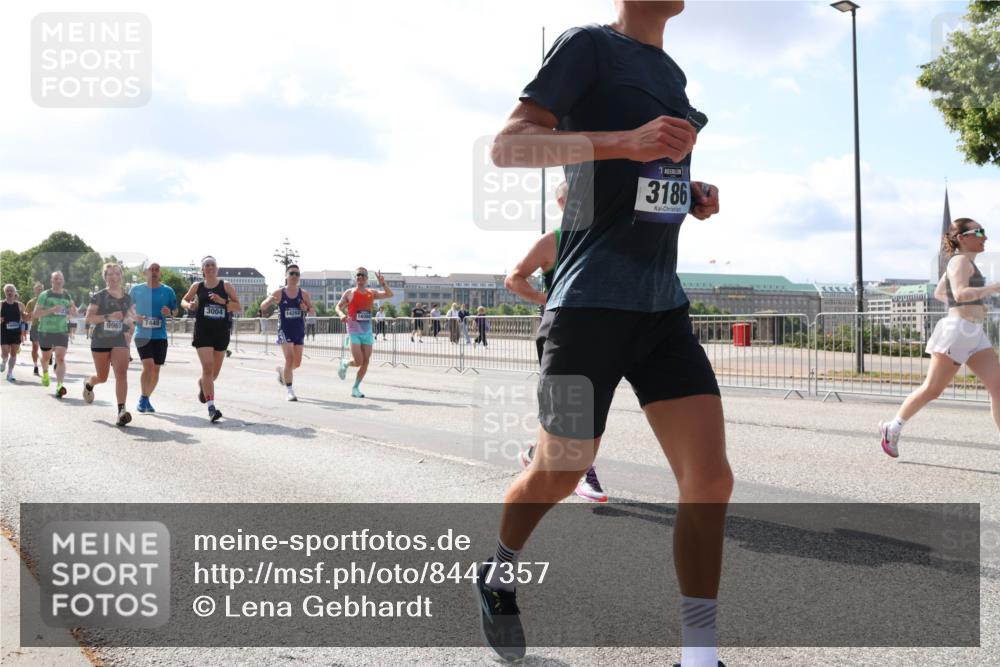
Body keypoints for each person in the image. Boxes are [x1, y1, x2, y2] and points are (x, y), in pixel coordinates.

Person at [475, 4, 729, 667]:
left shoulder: (669, 73)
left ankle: (699, 655)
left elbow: (635, 180)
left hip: (661, 308)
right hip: (585, 306)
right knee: (558, 468)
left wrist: (686, 189)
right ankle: (498, 572)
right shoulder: (589, 46)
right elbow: (506, 146)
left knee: (710, 477)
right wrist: (627, 141)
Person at [505, 182, 608, 503]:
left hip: (600, 330)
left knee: (584, 404)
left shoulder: (604, 238)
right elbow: (514, 277)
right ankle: (583, 474)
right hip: (560, 332)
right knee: (574, 404)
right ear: (563, 202)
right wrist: (542, 296)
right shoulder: (553, 240)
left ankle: (540, 450)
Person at [880, 218, 1000, 455]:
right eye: (980, 232)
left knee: (998, 388)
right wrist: (991, 289)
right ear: (963, 238)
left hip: (973, 332)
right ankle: (892, 428)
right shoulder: (959, 261)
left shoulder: (964, 263)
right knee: (932, 389)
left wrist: (972, 306)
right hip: (956, 331)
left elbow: (939, 292)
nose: (985, 237)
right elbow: (960, 292)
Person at [181, 256, 241, 422]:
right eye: (207, 265)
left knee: (213, 375)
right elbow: (184, 300)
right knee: (207, 368)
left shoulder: (225, 285)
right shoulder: (197, 286)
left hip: (221, 333)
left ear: (217, 268)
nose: (210, 267)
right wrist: (189, 305)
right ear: (203, 270)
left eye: (212, 265)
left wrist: (223, 301)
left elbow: (238, 306)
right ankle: (211, 408)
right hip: (203, 332)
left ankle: (203, 384)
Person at [82, 263, 135, 426]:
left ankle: (121, 411)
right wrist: (108, 316)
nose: (113, 277)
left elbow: (131, 318)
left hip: (119, 339)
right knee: (102, 377)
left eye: (116, 274)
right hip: (101, 340)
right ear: (105, 277)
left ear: (121, 276)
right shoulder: (99, 296)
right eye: (109, 274)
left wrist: (129, 323)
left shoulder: (127, 298)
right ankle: (90, 383)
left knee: (121, 373)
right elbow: (89, 319)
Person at [129, 263, 179, 413]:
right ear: (145, 273)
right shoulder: (136, 289)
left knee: (156, 370)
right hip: (142, 334)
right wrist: (135, 316)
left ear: (160, 273)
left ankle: (146, 398)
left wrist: (169, 311)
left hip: (160, 335)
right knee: (148, 366)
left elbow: (175, 311)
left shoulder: (168, 291)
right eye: (151, 269)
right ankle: (143, 399)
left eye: (157, 270)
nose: (154, 272)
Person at [260, 264, 314, 402]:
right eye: (292, 273)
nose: (294, 276)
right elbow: (263, 306)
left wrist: (306, 308)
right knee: (289, 359)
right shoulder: (280, 292)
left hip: (299, 330)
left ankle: (283, 373)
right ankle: (290, 391)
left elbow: (312, 310)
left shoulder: (304, 293)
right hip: (285, 330)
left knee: (297, 363)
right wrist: (270, 300)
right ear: (286, 275)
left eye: (297, 274)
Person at [336, 268, 393, 397]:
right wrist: (341, 314)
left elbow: (389, 295)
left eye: (363, 275)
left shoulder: (371, 293)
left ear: (367, 278)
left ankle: (355, 388)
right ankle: (345, 362)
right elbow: (338, 306)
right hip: (353, 330)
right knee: (358, 361)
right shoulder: (349, 292)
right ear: (355, 278)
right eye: (358, 275)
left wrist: (383, 283)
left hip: (367, 331)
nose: (360, 277)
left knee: (366, 361)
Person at [34, 271, 78, 397]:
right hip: (46, 330)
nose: (58, 281)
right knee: (46, 358)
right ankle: (46, 372)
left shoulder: (66, 294)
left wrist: (71, 311)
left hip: (61, 330)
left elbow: (73, 311)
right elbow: (36, 314)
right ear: (51, 281)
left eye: (60, 279)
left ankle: (59, 385)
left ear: (63, 281)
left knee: (61, 358)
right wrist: (52, 310)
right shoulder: (45, 294)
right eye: (56, 279)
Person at [0, 284, 26, 382]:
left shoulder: (20, 305)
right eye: (8, 291)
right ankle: (4, 361)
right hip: (4, 332)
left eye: (11, 291)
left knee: (14, 353)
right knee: (5, 353)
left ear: (15, 292)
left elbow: (24, 319)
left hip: (16, 332)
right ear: (5, 292)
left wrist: (23, 333)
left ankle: (10, 373)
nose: (10, 292)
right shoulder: (1, 304)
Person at [23, 282, 45, 376]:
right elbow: (25, 317)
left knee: (47, 348)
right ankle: (36, 366)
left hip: (47, 327)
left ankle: (49, 356)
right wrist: (30, 314)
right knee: (35, 347)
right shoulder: (31, 302)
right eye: (37, 289)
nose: (39, 291)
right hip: (35, 327)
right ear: (34, 291)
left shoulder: (48, 301)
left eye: (41, 289)